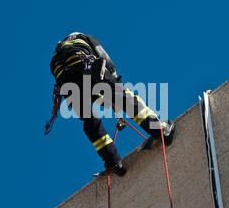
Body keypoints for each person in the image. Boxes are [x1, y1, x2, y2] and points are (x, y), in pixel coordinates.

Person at [48, 32, 175, 176]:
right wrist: (116, 85)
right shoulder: (81, 37)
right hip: (86, 67)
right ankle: (160, 131)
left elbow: (90, 92)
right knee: (126, 99)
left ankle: (112, 162)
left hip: (68, 86)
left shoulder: (54, 59)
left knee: (90, 121)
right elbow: (102, 55)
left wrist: (108, 101)